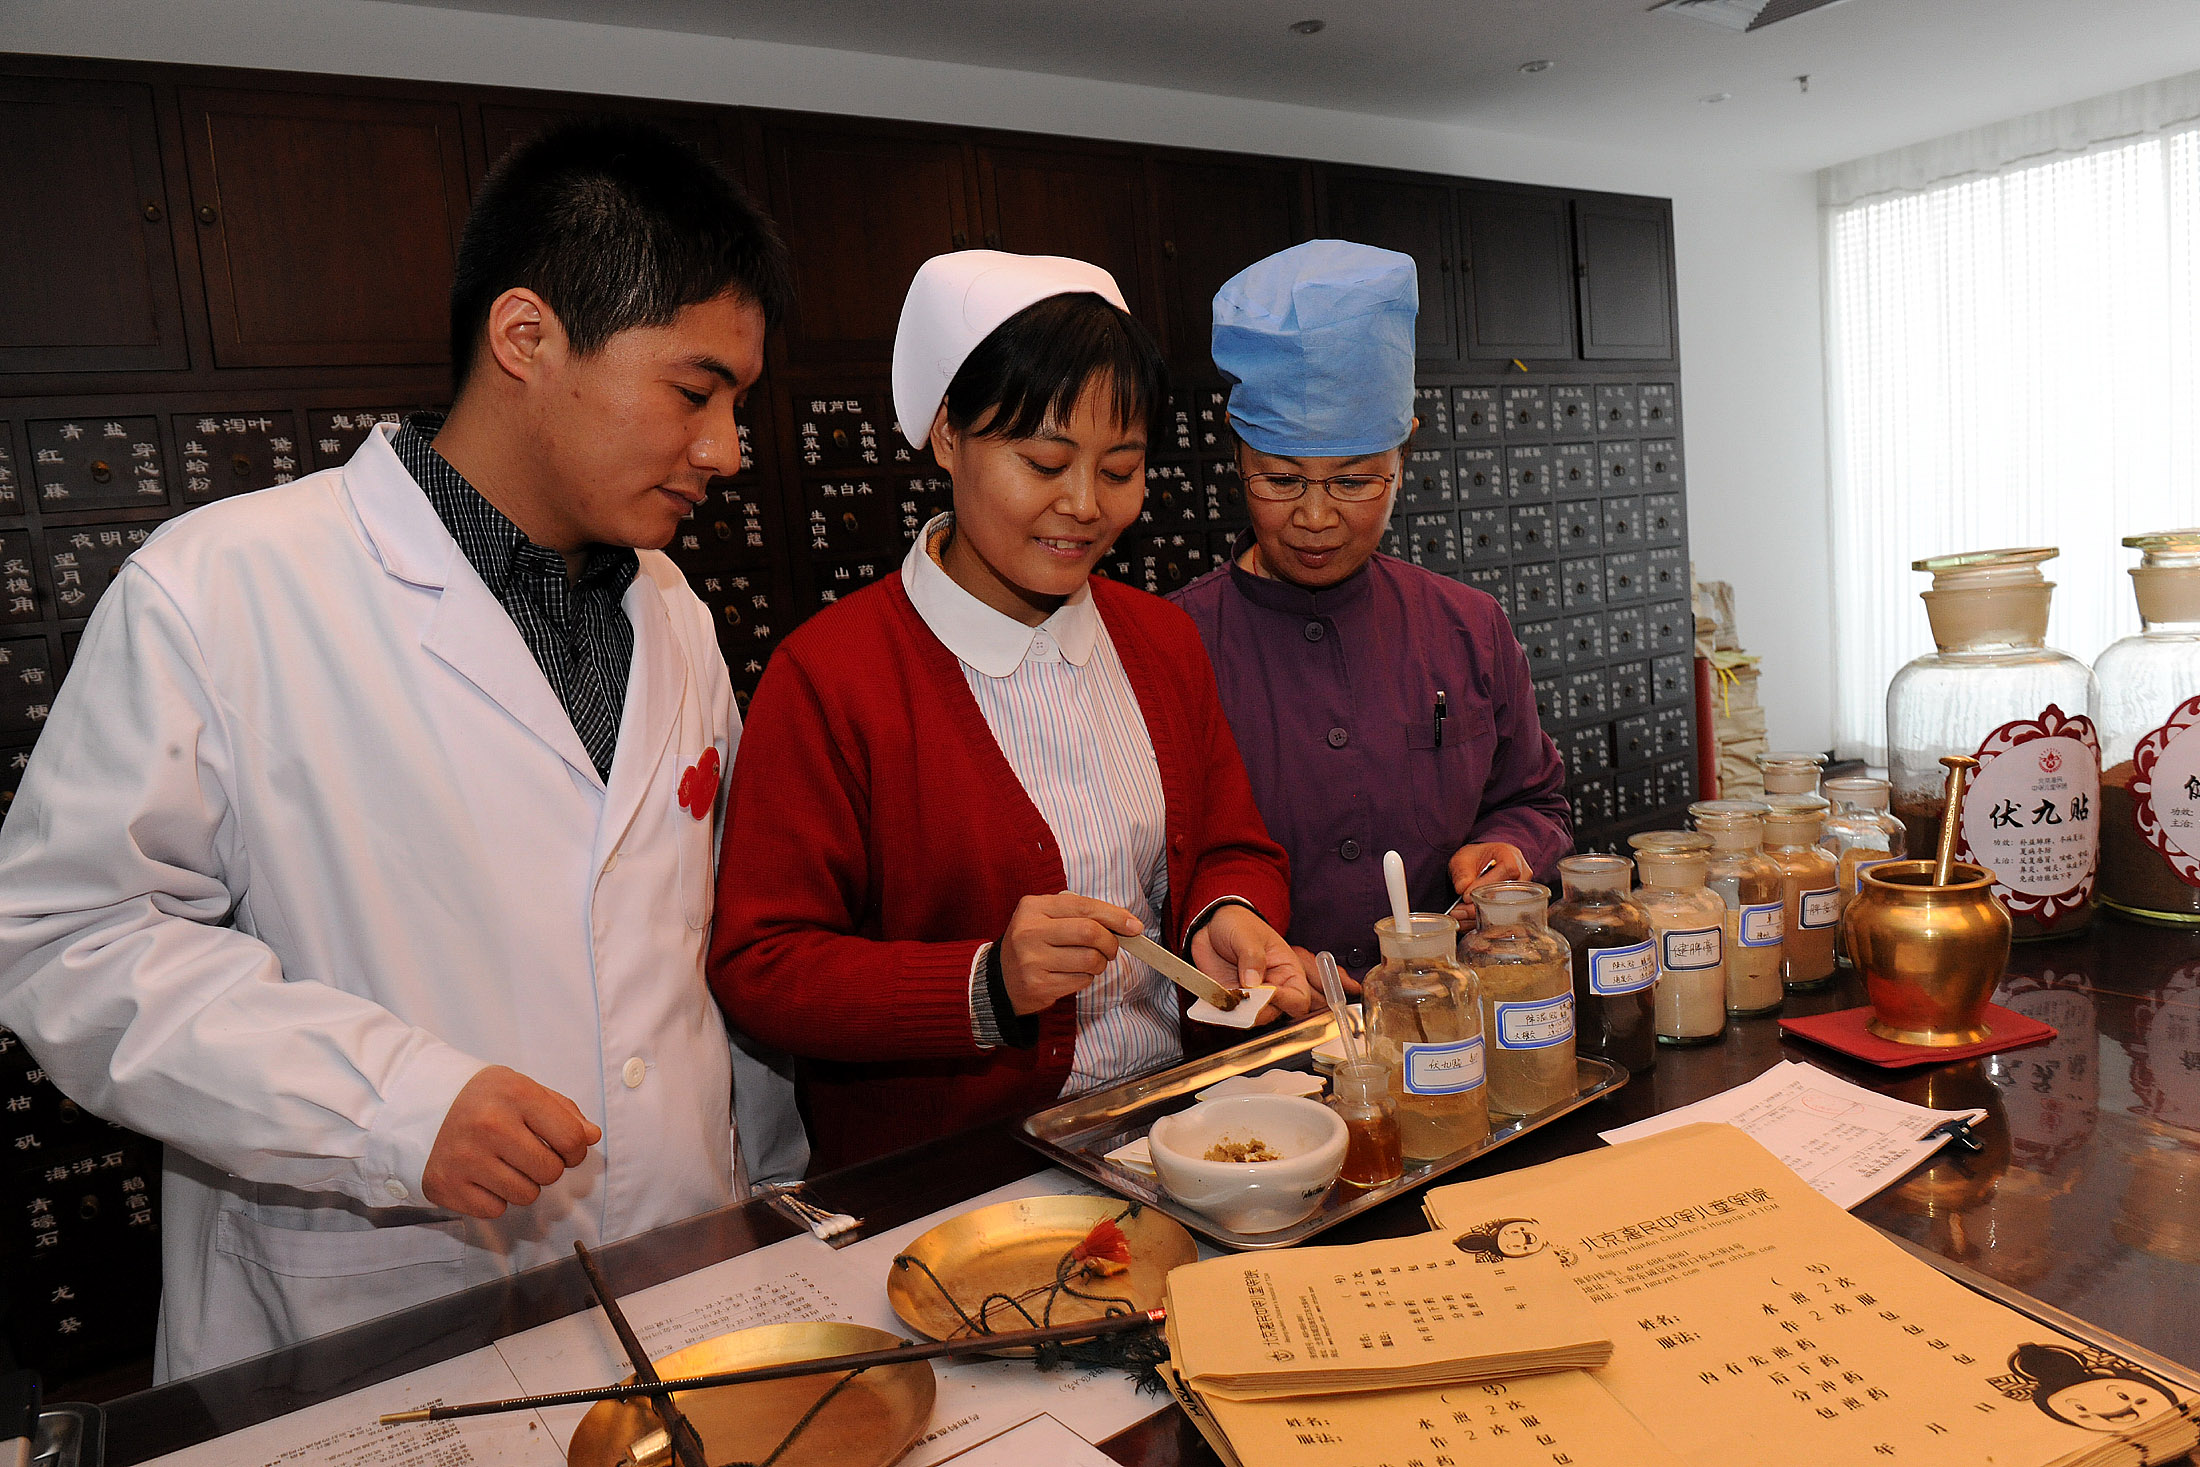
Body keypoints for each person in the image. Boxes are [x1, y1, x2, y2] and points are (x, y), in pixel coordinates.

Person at [0, 119, 806, 1380]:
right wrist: (386, 1104)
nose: (725, 450)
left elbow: (692, 959)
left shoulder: (674, 616)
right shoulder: (223, 590)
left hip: (678, 1285)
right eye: (695, 393)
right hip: (374, 1311)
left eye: (738, 406)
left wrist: (771, 1199)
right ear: (527, 338)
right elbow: (66, 941)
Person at [711, 251, 1314, 1172]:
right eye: (1043, 462)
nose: (1084, 506)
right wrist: (985, 982)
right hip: (959, 1171)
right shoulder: (833, 677)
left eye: (1121, 468)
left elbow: (1231, 843)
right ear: (948, 435)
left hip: (1179, 1133)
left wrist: (1222, 917)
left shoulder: (1160, 643)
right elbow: (764, 964)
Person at [1172, 240, 1571, 970]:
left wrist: (1508, 849)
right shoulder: (1175, 644)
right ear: (1235, 457)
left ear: (1404, 455)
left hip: (1442, 1011)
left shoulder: (1469, 627)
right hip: (1265, 1043)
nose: (1316, 517)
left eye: (1355, 482)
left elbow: (1536, 800)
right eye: (1281, 479)